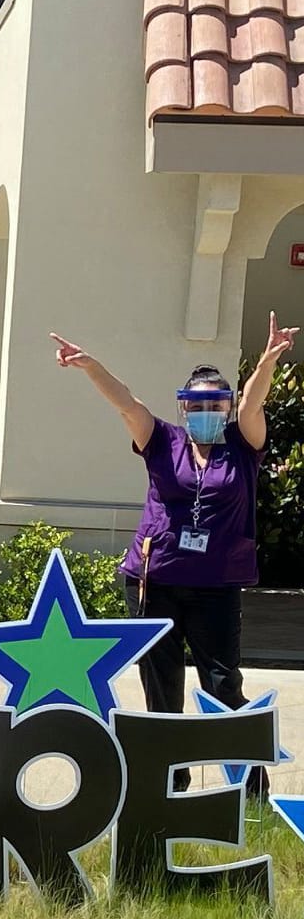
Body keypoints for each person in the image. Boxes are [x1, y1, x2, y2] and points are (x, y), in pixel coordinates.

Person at [51, 314, 297, 796]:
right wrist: (90, 366)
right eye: (197, 403)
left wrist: (267, 359)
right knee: (161, 689)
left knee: (224, 684)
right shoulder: (162, 440)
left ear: (224, 408)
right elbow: (126, 402)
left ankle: (249, 790)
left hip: (216, 588)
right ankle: (169, 785)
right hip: (154, 581)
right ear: (184, 408)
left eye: (215, 403)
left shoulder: (241, 445)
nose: (207, 410)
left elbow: (254, 400)